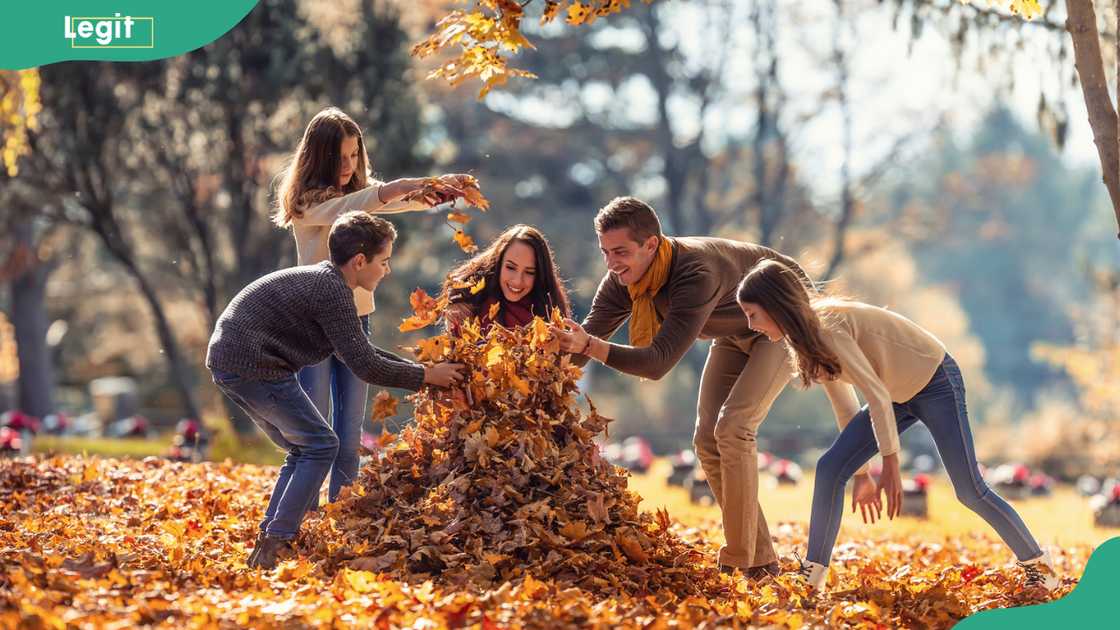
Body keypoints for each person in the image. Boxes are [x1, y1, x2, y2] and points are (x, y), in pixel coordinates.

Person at [735, 258, 1059, 594]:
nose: (750, 324)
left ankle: (1040, 567)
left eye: (752, 314)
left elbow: (874, 392)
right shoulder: (803, 342)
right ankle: (812, 577)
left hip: (936, 381)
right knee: (830, 467)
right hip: (895, 394)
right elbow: (845, 404)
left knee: (969, 490)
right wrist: (861, 473)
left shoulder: (826, 326)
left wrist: (891, 463)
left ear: (775, 305)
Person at [553, 196, 811, 578]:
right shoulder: (621, 279)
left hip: (782, 322)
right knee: (708, 441)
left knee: (734, 428)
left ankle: (742, 563)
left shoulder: (695, 272)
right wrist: (540, 379)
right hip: (733, 331)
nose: (611, 263)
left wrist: (590, 346)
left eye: (620, 251)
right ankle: (761, 560)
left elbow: (657, 363)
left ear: (652, 245)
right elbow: (586, 341)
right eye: (605, 252)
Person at [206, 212, 464, 569]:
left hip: (234, 360)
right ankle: (277, 542)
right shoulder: (332, 291)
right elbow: (366, 366)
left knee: (304, 448)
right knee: (322, 445)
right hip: (253, 363)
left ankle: (270, 540)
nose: (387, 270)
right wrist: (426, 377)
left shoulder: (327, 284)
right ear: (360, 261)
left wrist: (425, 371)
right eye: (384, 261)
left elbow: (361, 352)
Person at [272, 106, 469, 504]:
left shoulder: (356, 197)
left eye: (354, 156)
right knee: (315, 434)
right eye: (339, 157)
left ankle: (342, 518)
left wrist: (438, 191)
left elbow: (391, 201)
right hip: (312, 327)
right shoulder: (307, 204)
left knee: (348, 435)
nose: (348, 165)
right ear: (318, 157)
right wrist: (400, 186)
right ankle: (301, 518)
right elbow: (365, 201)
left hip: (356, 322)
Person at [441, 224, 571, 332]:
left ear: (540, 275)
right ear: (498, 261)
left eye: (529, 272)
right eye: (510, 268)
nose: (517, 281)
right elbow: (455, 357)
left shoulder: (550, 309)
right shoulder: (465, 299)